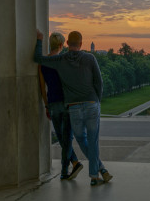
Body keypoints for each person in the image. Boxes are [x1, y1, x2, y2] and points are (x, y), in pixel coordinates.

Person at [34, 30, 112, 186]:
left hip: (73, 107)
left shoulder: (60, 60)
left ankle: (98, 171)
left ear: (68, 44)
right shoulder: (90, 58)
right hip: (90, 103)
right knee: (92, 140)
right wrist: (97, 100)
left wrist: (39, 40)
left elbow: (38, 59)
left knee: (81, 139)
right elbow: (99, 82)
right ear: (82, 44)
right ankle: (95, 175)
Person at [38, 32, 83, 180]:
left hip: (53, 103)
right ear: (60, 45)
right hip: (67, 102)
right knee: (67, 138)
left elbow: (42, 88)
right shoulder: (64, 60)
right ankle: (67, 169)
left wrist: (46, 106)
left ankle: (72, 165)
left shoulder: (43, 63)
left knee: (62, 138)